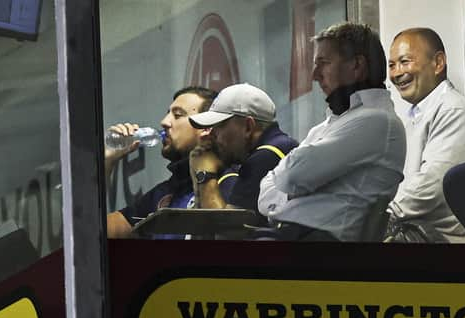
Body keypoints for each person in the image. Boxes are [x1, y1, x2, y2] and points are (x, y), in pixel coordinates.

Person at [256, 22, 406, 242]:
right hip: (289, 240)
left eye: (323, 63)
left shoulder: (377, 121)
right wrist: (296, 184)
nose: (315, 75)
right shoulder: (329, 125)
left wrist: (289, 187)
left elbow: (290, 175)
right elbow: (266, 194)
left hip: (316, 252)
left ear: (357, 66)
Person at [386, 28, 465, 243]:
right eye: (392, 65)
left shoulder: (455, 110)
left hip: (444, 247)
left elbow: (431, 186)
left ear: (438, 63)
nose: (396, 73)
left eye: (405, 61)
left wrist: (383, 218)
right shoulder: (416, 115)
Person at [106, 86, 236, 238]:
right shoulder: (165, 192)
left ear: (205, 127)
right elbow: (98, 230)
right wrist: (107, 160)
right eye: (168, 113)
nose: (164, 122)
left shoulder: (230, 181)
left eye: (178, 115)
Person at [187, 83, 298, 221]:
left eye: (219, 126)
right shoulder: (280, 147)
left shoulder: (266, 156)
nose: (212, 134)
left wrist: (205, 173)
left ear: (248, 127)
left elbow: (226, 230)